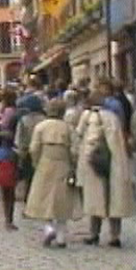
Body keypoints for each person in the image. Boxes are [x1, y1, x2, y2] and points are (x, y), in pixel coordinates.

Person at [75, 91, 135, 247]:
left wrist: (84, 159)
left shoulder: (90, 117)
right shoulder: (113, 117)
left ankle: (94, 234)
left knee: (96, 198)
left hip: (97, 162)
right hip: (115, 161)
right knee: (114, 198)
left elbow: (89, 139)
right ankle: (115, 236)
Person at [24, 99, 82, 247]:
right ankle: (61, 236)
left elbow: (34, 148)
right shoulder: (68, 128)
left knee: (43, 199)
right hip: (63, 165)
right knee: (62, 200)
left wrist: (36, 163)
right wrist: (73, 164)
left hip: (45, 164)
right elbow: (75, 150)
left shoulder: (41, 127)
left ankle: (48, 227)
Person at [14, 94, 45, 203]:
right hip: (42, 151)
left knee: (28, 178)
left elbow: (19, 139)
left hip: (27, 152)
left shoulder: (24, 120)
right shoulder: (44, 119)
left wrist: (20, 152)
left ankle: (29, 201)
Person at [0, 131, 18, 230]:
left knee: (5, 199)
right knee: (11, 199)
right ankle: (10, 220)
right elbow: (17, 165)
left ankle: (7, 219)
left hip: (1, 178)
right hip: (11, 178)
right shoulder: (13, 153)